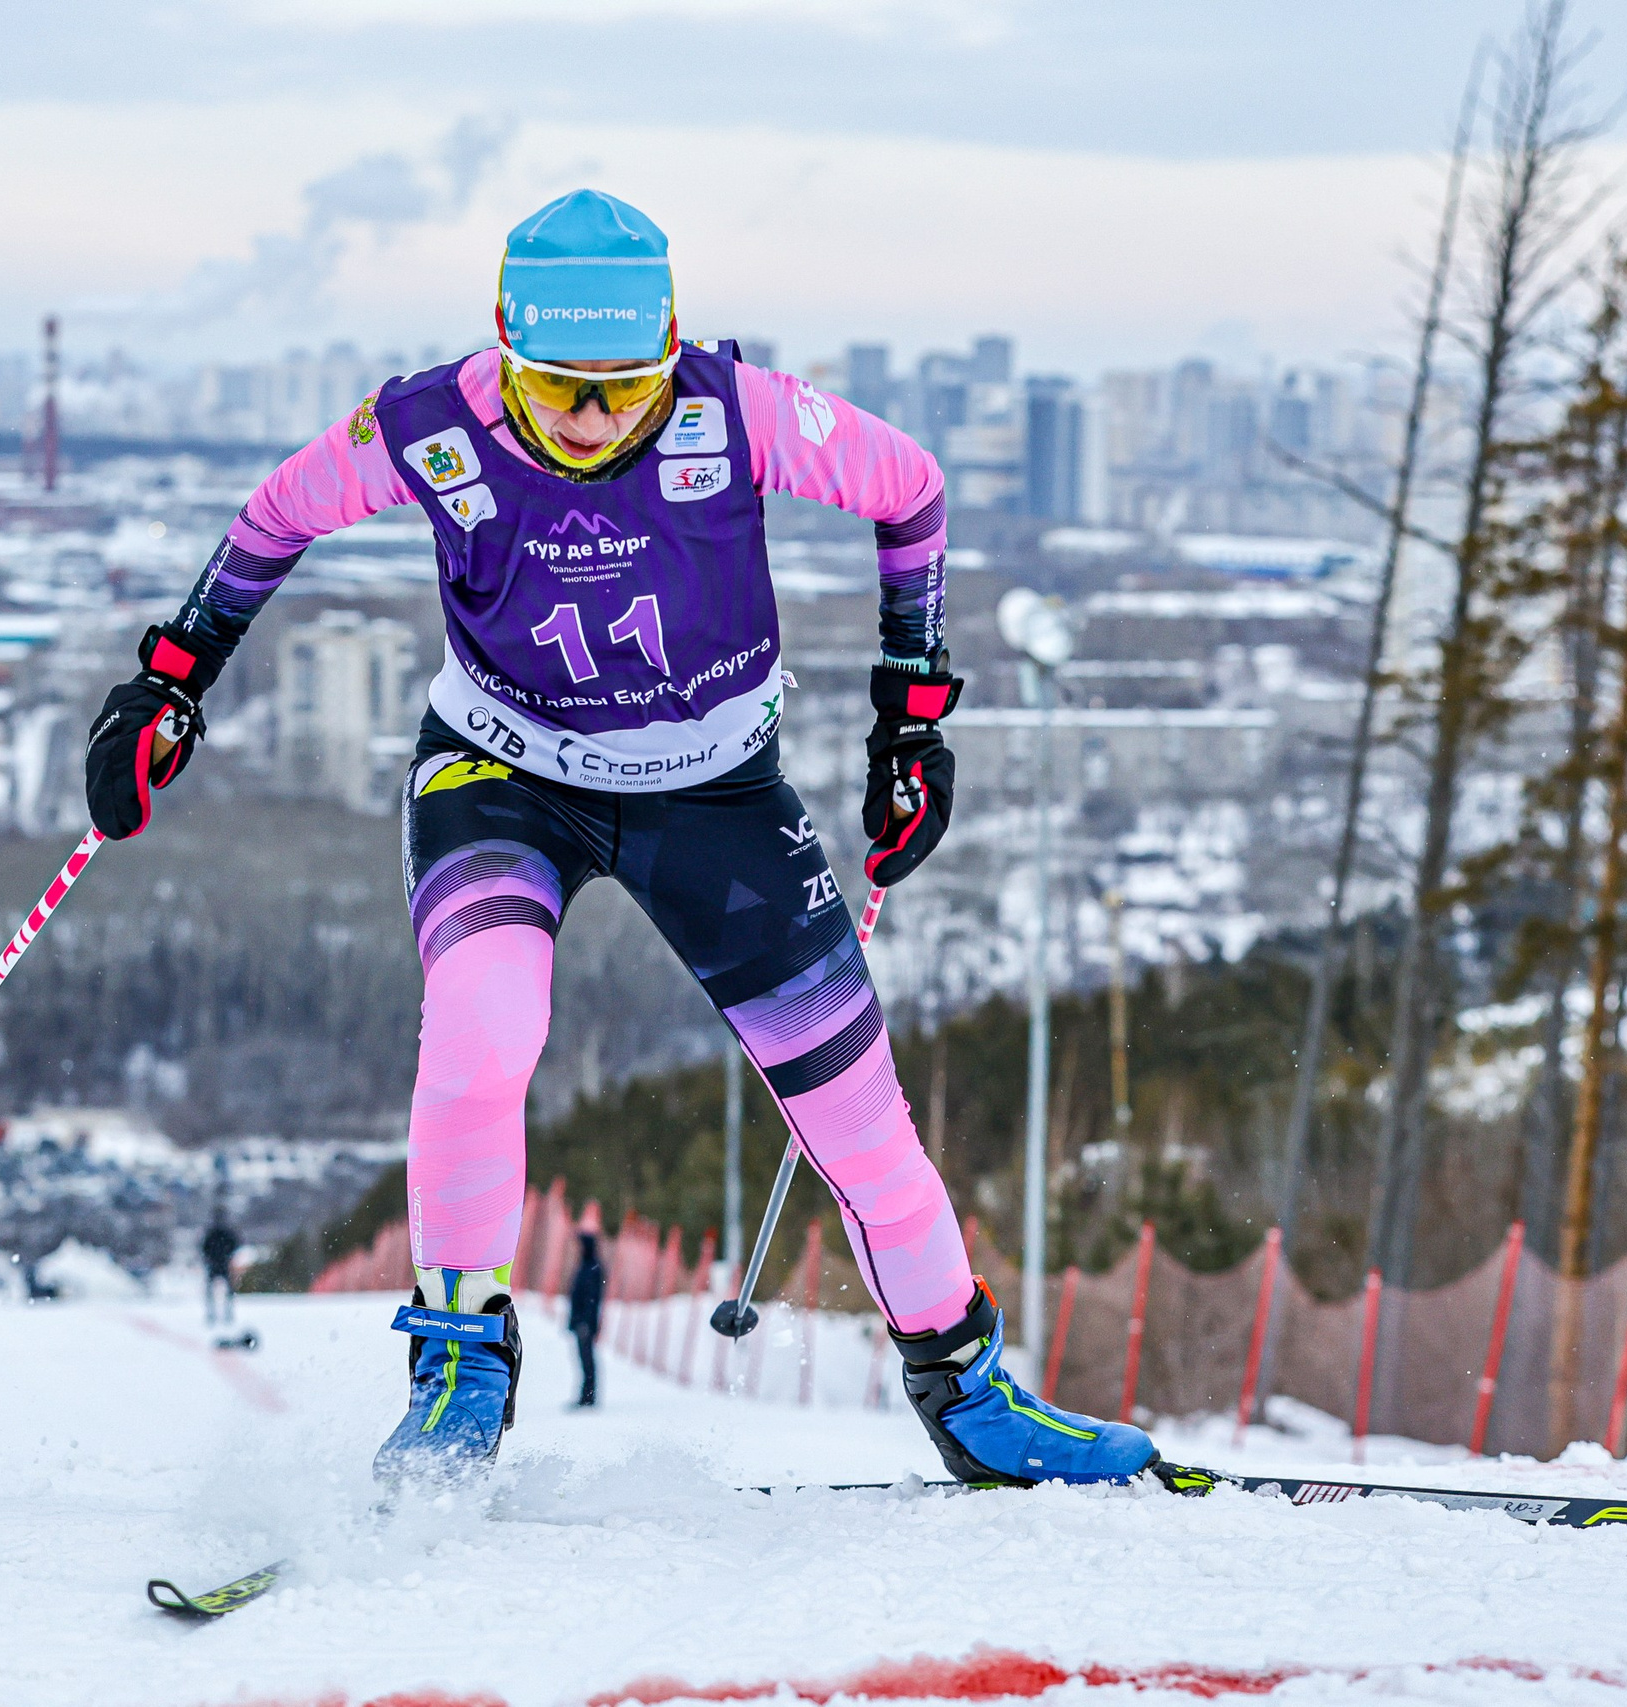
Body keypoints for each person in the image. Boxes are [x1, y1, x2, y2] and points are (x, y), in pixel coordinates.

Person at [85, 189, 1161, 1492]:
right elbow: (275, 518)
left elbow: (912, 491)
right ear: (501, 338)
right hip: (502, 772)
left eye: (625, 384)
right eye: (557, 387)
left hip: (711, 790)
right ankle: (459, 1366)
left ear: (669, 341)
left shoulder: (734, 411)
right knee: (485, 1026)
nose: (595, 419)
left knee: (860, 1120)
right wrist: (172, 678)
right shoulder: (426, 425)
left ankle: (971, 1393)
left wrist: (911, 716)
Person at [566, 1232, 605, 1409]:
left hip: (585, 1323)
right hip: (581, 1321)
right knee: (583, 1359)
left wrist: (586, 1323)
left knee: (587, 1360)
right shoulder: (585, 1266)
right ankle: (585, 1395)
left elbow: (592, 1298)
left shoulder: (593, 1268)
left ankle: (589, 1396)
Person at [200, 1215, 241, 1329]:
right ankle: (223, 1313)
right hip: (222, 1263)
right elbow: (235, 1245)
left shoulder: (214, 1233)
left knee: (218, 1291)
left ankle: (219, 1313)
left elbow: (204, 1247)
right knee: (225, 1291)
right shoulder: (224, 1233)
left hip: (218, 1263)